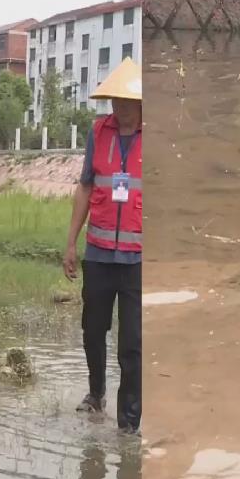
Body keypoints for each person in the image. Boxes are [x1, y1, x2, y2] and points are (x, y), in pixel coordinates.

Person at [63, 57, 142, 435]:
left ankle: (129, 423)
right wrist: (70, 243)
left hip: (138, 261)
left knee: (132, 343)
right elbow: (85, 187)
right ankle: (96, 394)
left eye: (127, 100)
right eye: (115, 100)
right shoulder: (99, 132)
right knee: (93, 330)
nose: (120, 107)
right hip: (97, 252)